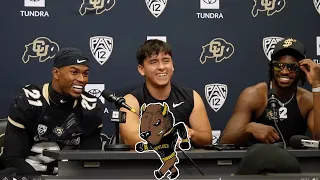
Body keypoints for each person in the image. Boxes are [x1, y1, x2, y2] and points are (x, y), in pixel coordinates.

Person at [3, 47, 104, 175]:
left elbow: (89, 162)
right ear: (56, 73)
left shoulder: (90, 108)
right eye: (74, 72)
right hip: (30, 176)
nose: (82, 79)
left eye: (85, 73)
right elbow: (13, 159)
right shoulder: (29, 102)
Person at [220, 38, 320, 146]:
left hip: (294, 162)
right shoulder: (254, 95)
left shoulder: (307, 100)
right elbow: (225, 141)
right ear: (272, 67)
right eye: (279, 66)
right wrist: (248, 129)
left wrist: (317, 85)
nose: (284, 71)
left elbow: (318, 138)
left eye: (292, 67)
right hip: (257, 160)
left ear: (301, 70)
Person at [119, 39, 212, 149]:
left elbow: (207, 139)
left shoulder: (191, 96)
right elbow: (130, 139)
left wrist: (190, 133)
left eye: (166, 60)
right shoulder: (130, 101)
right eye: (153, 62)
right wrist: (168, 138)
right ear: (141, 69)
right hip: (144, 165)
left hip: (184, 164)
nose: (161, 67)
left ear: (172, 65)